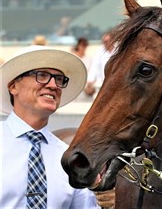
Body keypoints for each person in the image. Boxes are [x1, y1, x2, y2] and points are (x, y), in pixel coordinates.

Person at [0, 45, 115, 208]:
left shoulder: (70, 158)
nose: (54, 85)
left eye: (59, 79)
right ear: (13, 86)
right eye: (42, 75)